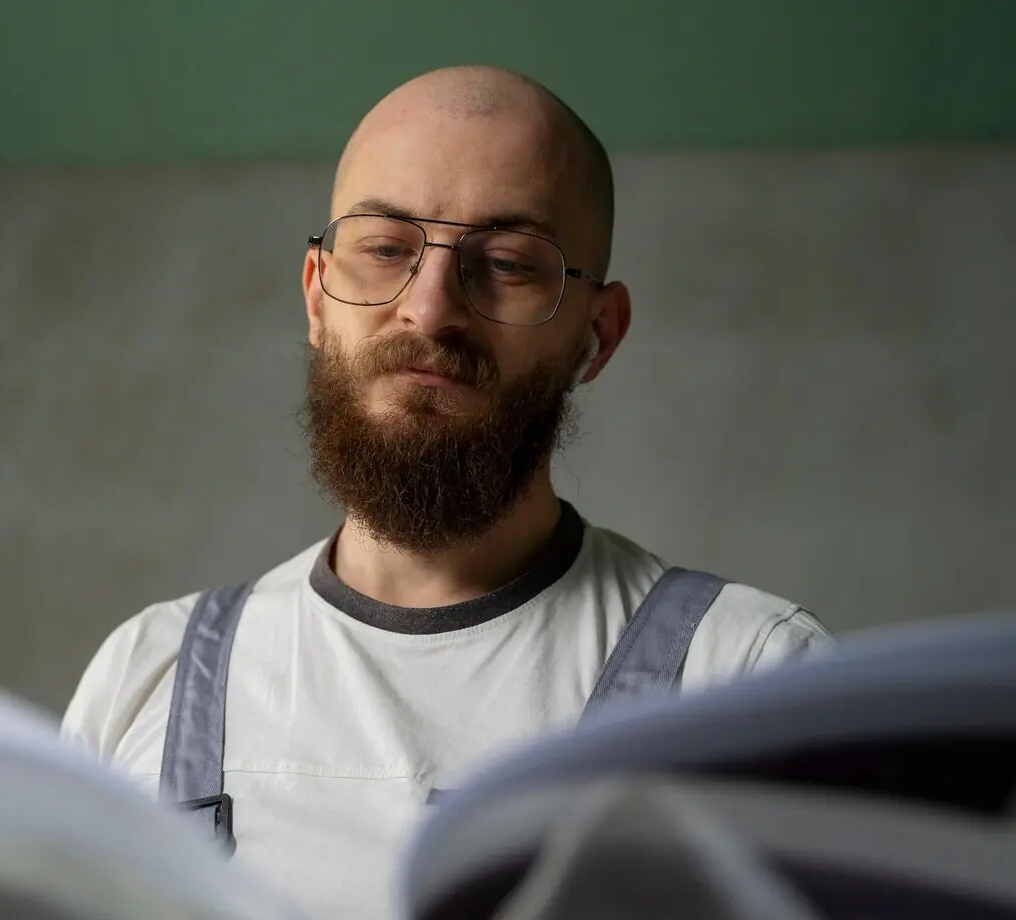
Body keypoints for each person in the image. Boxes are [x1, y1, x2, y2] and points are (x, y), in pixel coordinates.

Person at [61, 65, 833, 920]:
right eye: (386, 247)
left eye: (506, 263)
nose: (429, 310)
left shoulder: (751, 679)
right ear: (318, 299)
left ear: (597, 336)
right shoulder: (148, 676)